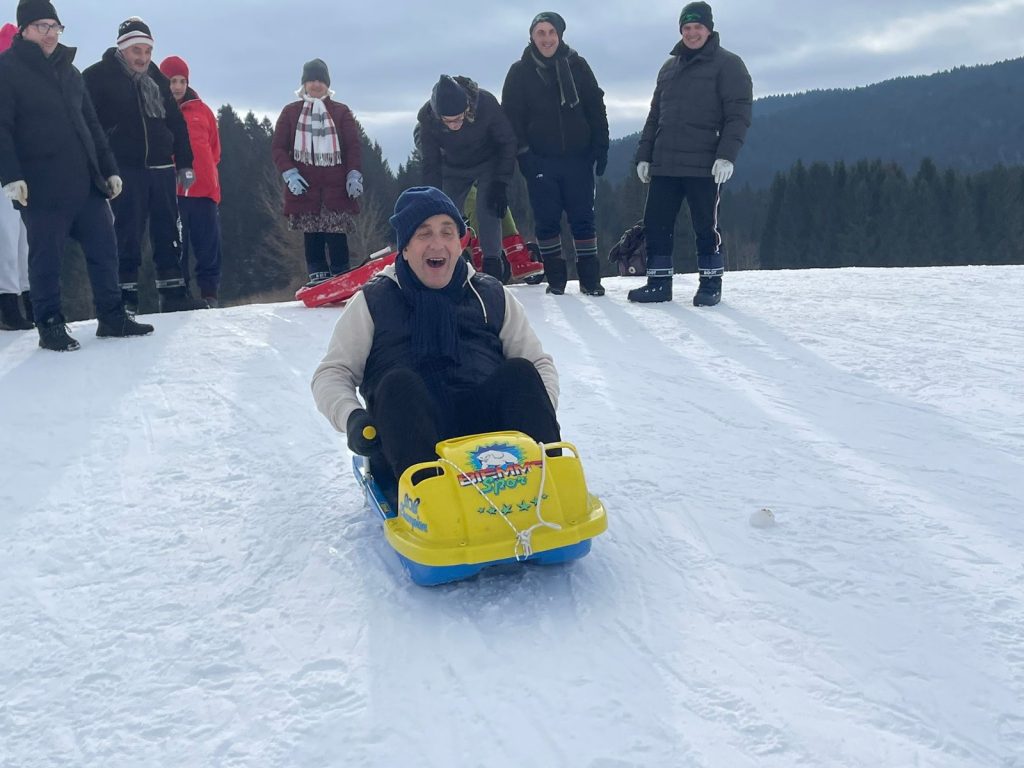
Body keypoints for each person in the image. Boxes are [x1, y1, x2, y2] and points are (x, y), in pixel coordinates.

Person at [311, 186, 560, 497]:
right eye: (424, 234)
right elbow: (332, 374)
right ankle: (430, 500)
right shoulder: (374, 301)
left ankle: (548, 489)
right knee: (398, 384)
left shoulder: (490, 295)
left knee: (521, 373)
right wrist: (352, 417)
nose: (437, 243)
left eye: (447, 232)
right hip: (413, 437)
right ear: (404, 248)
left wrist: (539, 408)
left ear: (459, 243)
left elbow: (538, 363)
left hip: (489, 441)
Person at [0, 0, 153, 351]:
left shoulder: (69, 70)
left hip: (85, 181)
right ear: (23, 29)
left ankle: (112, 316)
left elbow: (92, 126)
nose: (51, 34)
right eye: (42, 27)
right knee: (46, 257)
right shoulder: (7, 69)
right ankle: (50, 323)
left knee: (104, 247)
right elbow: (2, 128)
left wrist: (109, 169)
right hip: (39, 184)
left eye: (55, 27)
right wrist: (10, 176)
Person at [630, 2, 752, 305]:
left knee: (705, 225)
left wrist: (727, 155)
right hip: (665, 162)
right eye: (686, 27)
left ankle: (711, 284)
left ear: (709, 29)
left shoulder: (729, 64)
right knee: (656, 222)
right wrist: (644, 156)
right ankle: (659, 282)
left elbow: (738, 115)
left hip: (704, 163)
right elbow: (654, 116)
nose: (692, 32)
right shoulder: (669, 68)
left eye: (698, 27)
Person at [83, 17, 200, 314]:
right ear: (122, 49)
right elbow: (87, 126)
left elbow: (176, 121)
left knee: (167, 232)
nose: (143, 58)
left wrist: (185, 162)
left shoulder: (157, 78)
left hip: (160, 168)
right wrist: (98, 167)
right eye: (137, 50)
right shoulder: (97, 77)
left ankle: (173, 294)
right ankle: (124, 297)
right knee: (126, 233)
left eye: (147, 51)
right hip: (123, 168)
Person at [501, 11, 609, 296]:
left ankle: (590, 280)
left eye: (551, 32)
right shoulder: (519, 72)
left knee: (583, 219)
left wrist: (601, 147)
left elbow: (595, 106)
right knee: (547, 221)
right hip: (540, 160)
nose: (546, 38)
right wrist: (524, 157)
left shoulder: (577, 65)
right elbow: (511, 119)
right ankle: (557, 281)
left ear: (560, 35)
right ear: (532, 37)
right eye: (541, 33)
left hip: (578, 157)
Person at [414, 75, 517, 281]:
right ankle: (447, 266)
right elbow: (431, 163)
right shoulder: (428, 118)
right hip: (454, 168)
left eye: (459, 118)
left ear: (467, 108)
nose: (455, 125)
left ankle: (493, 268)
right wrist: (431, 197)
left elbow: (507, 142)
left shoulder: (486, 104)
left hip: (488, 162)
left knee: (487, 210)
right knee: (445, 216)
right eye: (448, 121)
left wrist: (501, 182)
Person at [272, 58, 363, 288]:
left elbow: (353, 146)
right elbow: (278, 148)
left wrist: (354, 174)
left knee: (336, 234)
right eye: (311, 80)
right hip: (305, 189)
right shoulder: (291, 113)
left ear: (327, 84)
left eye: (320, 80)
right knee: (311, 235)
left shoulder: (341, 112)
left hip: (336, 189)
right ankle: (318, 279)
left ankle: (342, 277)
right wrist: (289, 173)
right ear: (304, 84)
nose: (316, 85)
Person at [159, 55, 222, 307]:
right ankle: (180, 294)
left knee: (209, 246)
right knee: (178, 248)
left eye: (181, 81)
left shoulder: (202, 110)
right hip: (174, 192)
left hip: (205, 190)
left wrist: (208, 173)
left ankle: (210, 294)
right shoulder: (158, 110)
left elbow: (215, 150)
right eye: (172, 81)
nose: (176, 86)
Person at [0, 20, 32, 331]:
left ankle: (27, 298)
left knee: (25, 238)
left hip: (26, 169)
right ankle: (8, 304)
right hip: (3, 173)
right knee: (7, 238)